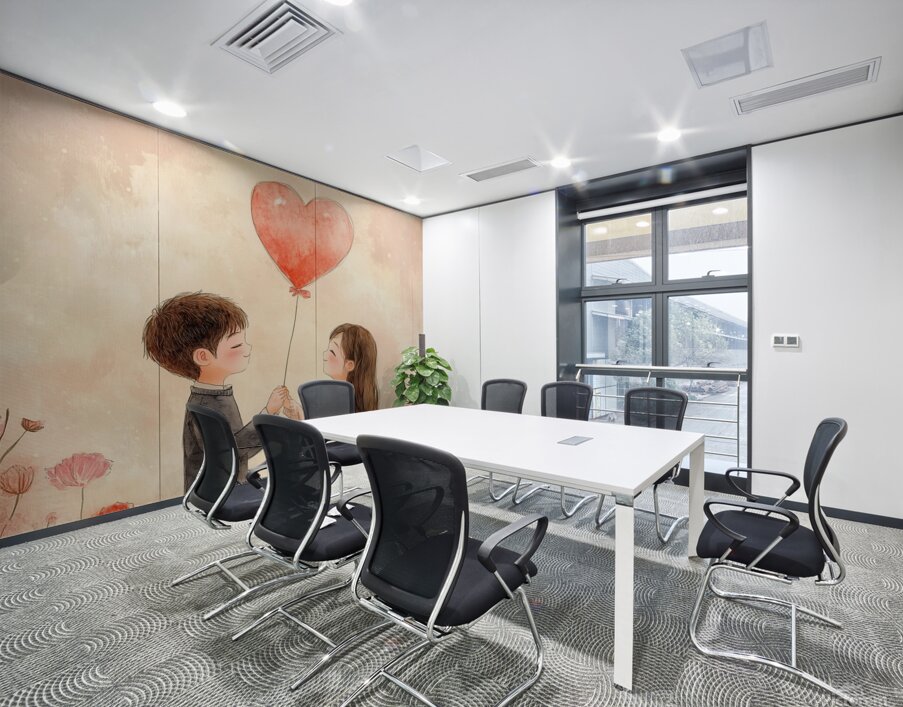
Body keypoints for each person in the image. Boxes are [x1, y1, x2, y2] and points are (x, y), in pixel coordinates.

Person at [141, 292, 296, 492]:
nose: (248, 348)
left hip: (215, 488)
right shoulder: (211, 404)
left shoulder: (206, 397)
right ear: (203, 357)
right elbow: (234, 451)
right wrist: (269, 412)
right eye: (237, 345)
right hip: (221, 492)